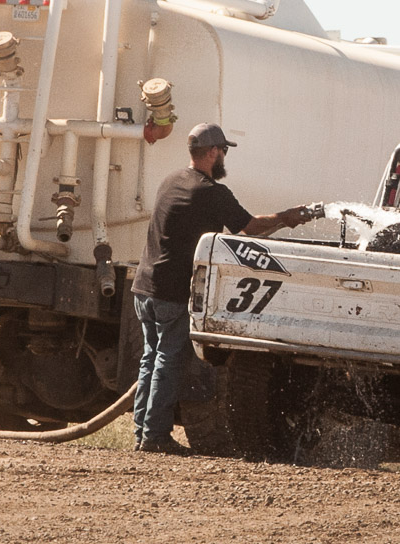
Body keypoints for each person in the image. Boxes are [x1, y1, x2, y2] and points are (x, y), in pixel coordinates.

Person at [130, 122, 313, 454]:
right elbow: (250, 227)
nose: (225, 157)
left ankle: (143, 432)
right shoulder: (211, 192)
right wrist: (285, 217)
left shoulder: (171, 180)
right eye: (224, 151)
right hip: (172, 292)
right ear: (213, 152)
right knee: (167, 360)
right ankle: (154, 437)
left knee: (150, 358)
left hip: (144, 286)